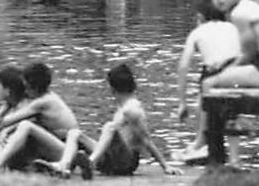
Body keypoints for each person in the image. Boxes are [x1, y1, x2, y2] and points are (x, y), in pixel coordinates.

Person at [40, 63, 182, 178]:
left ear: (112, 89)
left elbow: (146, 140)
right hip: (111, 157)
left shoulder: (132, 109)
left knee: (109, 127)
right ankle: (63, 166)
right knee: (74, 133)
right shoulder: (123, 106)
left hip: (125, 163)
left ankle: (90, 163)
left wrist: (166, 166)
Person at [0, 61, 78, 172]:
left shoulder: (41, 103)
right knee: (20, 129)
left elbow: (3, 121)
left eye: (26, 88)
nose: (24, 92)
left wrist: (6, 105)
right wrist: (6, 131)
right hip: (62, 147)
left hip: (64, 152)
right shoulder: (50, 97)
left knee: (26, 126)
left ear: (34, 88)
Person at [174, 0, 244, 160]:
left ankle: (204, 145)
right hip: (237, 74)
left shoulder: (198, 32)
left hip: (213, 76)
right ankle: (233, 158)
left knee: (205, 98)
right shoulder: (233, 28)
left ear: (201, 17)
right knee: (230, 113)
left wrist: (182, 103)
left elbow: (183, 66)